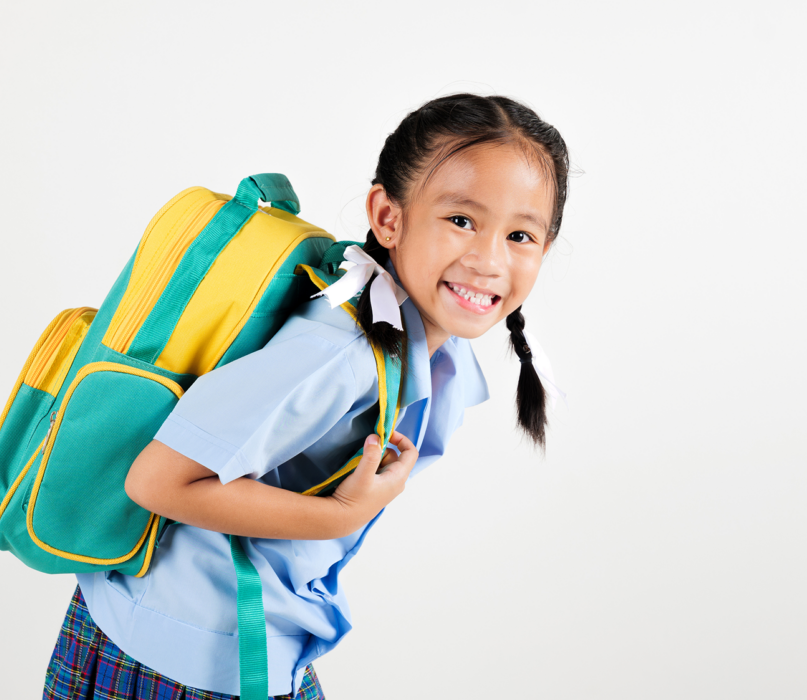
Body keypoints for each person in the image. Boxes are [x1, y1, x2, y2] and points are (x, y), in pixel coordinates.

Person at [42, 93, 570, 700]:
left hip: (236, 643)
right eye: (461, 220)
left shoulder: (425, 345)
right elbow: (156, 481)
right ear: (388, 216)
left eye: (521, 234)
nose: (488, 259)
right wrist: (340, 516)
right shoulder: (339, 353)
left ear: (546, 249)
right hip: (174, 657)